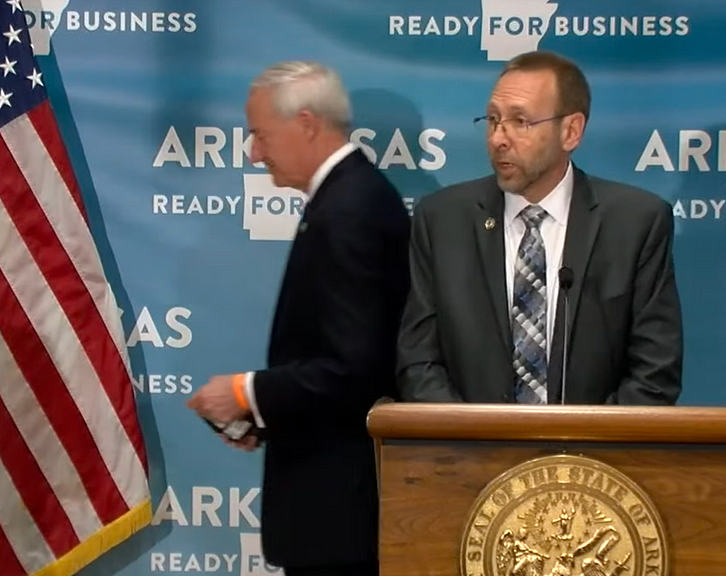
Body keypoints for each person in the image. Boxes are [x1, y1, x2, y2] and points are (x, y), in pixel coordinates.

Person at [187, 61, 410, 576]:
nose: (254, 152)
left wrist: (248, 394)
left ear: (307, 123)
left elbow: (355, 369)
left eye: (261, 135)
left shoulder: (350, 210)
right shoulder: (344, 200)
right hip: (332, 506)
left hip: (342, 514)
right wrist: (263, 417)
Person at [396, 50, 682, 405]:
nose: (499, 138)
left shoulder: (635, 222)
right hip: (470, 453)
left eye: (520, 121)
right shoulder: (442, 220)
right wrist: (472, 444)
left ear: (571, 131)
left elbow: (654, 373)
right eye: (493, 120)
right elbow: (419, 362)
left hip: (589, 456)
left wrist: (578, 454)